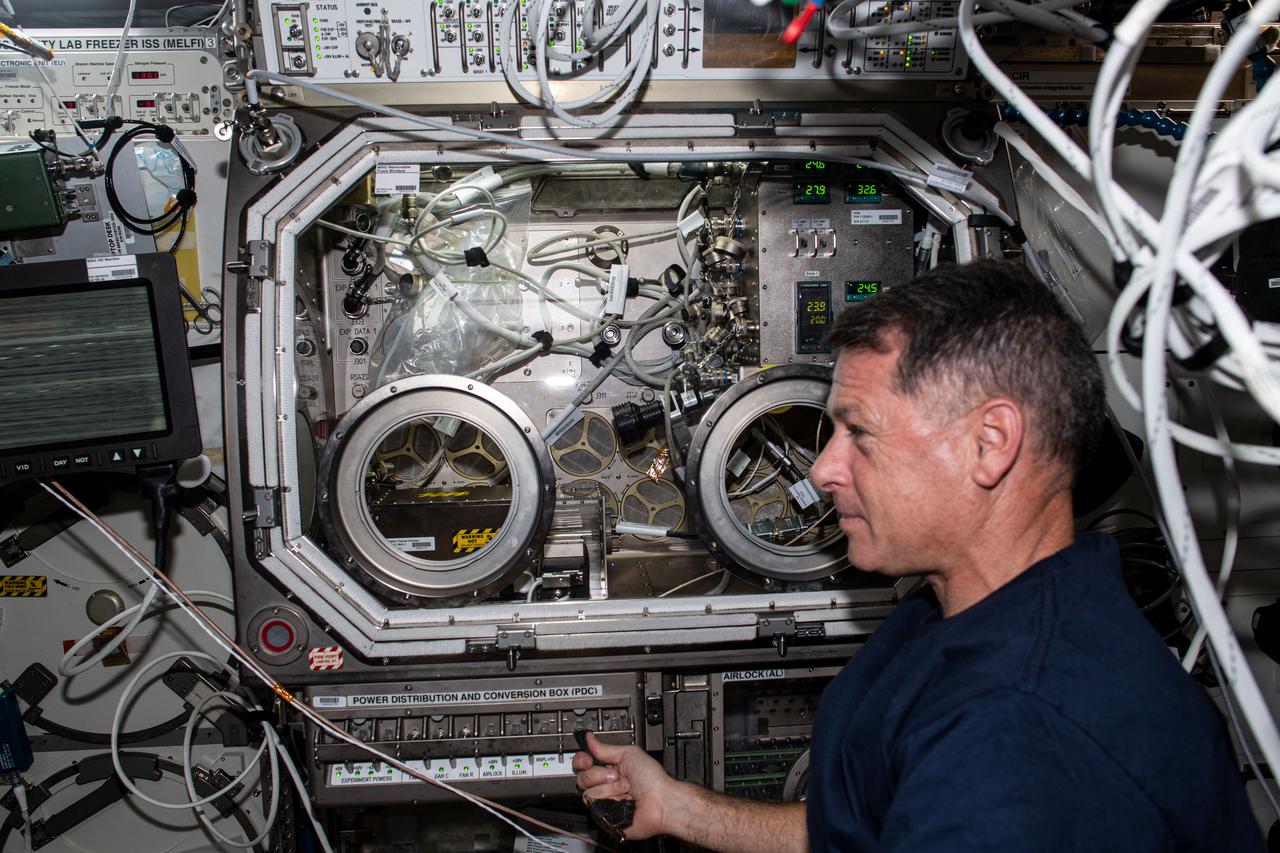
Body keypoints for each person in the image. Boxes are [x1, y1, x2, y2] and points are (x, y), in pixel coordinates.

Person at [573, 258, 1263, 852]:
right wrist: (683, 808)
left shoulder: (1023, 734)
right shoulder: (968, 614)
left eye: (859, 434)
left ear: (988, 444)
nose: (823, 469)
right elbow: (869, 824)